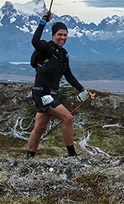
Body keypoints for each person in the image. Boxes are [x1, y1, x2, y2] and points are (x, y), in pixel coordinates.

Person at [26, 11, 91, 158]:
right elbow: (35, 42)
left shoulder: (63, 54)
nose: (62, 37)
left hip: (52, 94)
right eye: (59, 34)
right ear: (53, 35)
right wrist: (43, 22)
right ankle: (72, 155)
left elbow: (69, 76)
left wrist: (83, 91)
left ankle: (29, 157)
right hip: (42, 93)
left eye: (65, 35)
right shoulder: (45, 48)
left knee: (40, 128)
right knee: (67, 118)